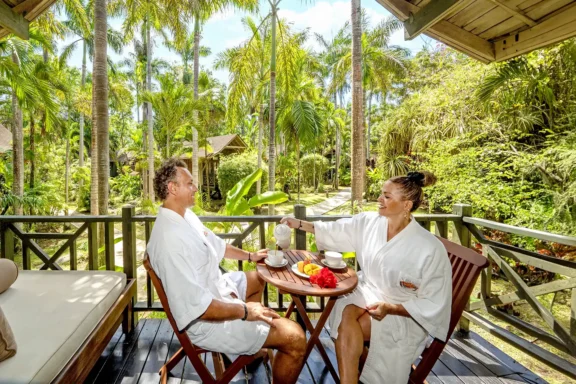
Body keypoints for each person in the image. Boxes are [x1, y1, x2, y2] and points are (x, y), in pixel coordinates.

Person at [281, 171, 452, 384]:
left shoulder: (429, 248)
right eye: (382, 194)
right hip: (368, 292)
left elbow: (434, 302)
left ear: (406, 205)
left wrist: (391, 308)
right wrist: (297, 223)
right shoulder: (370, 223)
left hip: (404, 314)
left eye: (387, 196)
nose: (379, 199)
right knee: (346, 310)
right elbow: (334, 230)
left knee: (346, 327)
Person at [147, 158, 306, 384]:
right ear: (173, 188)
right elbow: (197, 308)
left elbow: (217, 245)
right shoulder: (169, 240)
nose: (195, 188)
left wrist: (251, 256)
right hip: (207, 323)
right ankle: (252, 336)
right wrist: (245, 312)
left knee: (258, 277)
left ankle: (252, 348)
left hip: (217, 289)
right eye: (189, 184)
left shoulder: (185, 216)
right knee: (296, 337)